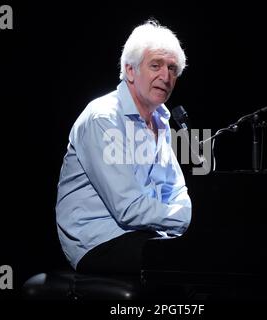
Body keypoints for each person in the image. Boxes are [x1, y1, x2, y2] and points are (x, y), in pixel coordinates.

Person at [56, 20, 192, 275]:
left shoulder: (161, 120)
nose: (166, 76)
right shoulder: (103, 118)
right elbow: (128, 209)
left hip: (145, 234)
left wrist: (187, 219)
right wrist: (189, 221)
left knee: (212, 257)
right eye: (156, 65)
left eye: (173, 69)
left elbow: (175, 189)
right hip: (99, 241)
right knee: (188, 264)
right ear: (130, 71)